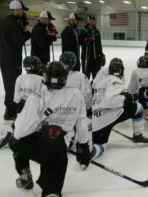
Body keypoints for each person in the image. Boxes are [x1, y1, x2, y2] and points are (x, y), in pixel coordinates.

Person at [9, 61, 90, 197]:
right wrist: (84, 146)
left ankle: (25, 176)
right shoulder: (77, 94)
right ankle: (51, 190)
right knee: (55, 165)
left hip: (41, 147)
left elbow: (22, 127)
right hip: (62, 148)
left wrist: (14, 140)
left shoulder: (37, 96)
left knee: (18, 141)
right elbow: (82, 123)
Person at [91, 58, 148, 159]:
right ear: (122, 71)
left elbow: (104, 95)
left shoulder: (102, 80)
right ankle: (138, 135)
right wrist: (127, 99)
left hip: (97, 120)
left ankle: (90, 153)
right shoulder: (116, 80)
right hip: (110, 116)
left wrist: (123, 95)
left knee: (101, 145)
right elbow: (110, 101)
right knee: (139, 108)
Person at [0, 56, 44, 150]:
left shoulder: (20, 78)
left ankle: (17, 130)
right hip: (34, 114)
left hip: (20, 112)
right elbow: (42, 101)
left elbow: (16, 99)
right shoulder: (41, 79)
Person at [0, 0, 31, 121]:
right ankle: (10, 110)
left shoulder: (5, 20)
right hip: (12, 58)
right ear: (16, 10)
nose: (22, 12)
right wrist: (26, 33)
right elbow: (18, 41)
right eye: (21, 10)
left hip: (4, 57)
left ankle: (10, 108)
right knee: (13, 84)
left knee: (8, 83)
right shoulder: (13, 23)